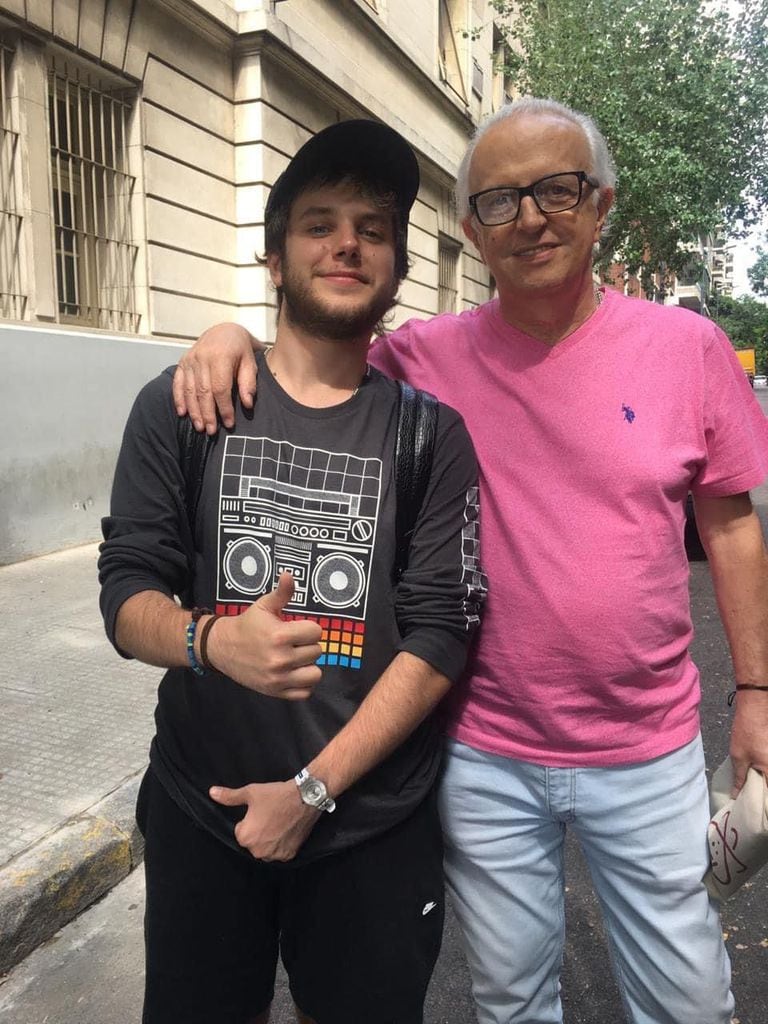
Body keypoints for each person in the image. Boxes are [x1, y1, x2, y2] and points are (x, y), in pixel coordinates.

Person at [172, 97, 768, 1024]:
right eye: (500, 201)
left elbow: (731, 530)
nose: (530, 218)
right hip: (484, 751)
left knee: (689, 999)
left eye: (557, 190)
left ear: (601, 203)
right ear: (470, 231)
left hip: (646, 747)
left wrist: (759, 693)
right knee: (510, 998)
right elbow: (319, 346)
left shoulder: (688, 350)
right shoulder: (424, 358)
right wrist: (230, 337)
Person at [99, 119, 487, 1024]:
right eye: (319, 224)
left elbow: (441, 631)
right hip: (203, 814)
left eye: (373, 228)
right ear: (275, 259)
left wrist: (313, 791)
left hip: (370, 825)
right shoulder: (185, 406)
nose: (347, 242)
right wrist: (210, 642)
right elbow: (125, 595)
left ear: (394, 270)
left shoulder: (431, 436)